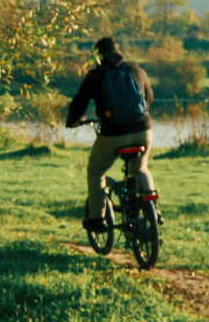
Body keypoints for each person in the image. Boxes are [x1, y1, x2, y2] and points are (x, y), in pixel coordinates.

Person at [65, 36, 156, 231]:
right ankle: (153, 211)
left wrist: (72, 122)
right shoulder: (136, 69)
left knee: (96, 172)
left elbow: (79, 103)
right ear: (119, 51)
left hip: (114, 134)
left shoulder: (96, 76)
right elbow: (149, 96)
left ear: (98, 56)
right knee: (140, 169)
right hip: (143, 130)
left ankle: (97, 219)